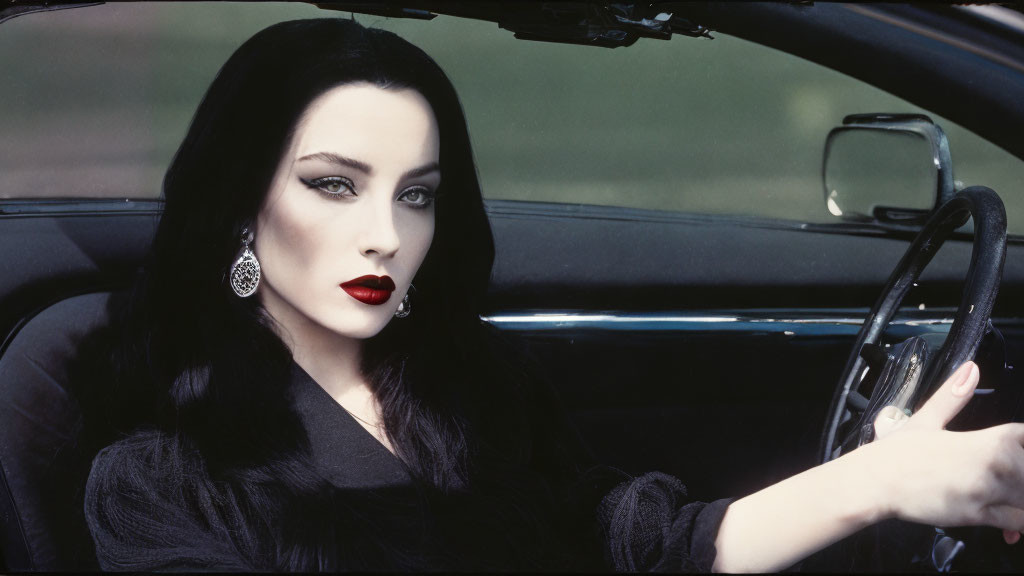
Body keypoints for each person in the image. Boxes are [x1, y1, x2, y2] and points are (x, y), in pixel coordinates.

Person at [76, 18, 1024, 572]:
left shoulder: (470, 388)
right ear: (241, 201)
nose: (385, 234)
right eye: (334, 184)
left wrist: (882, 481)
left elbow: (658, 548)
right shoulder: (160, 478)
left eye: (418, 197)